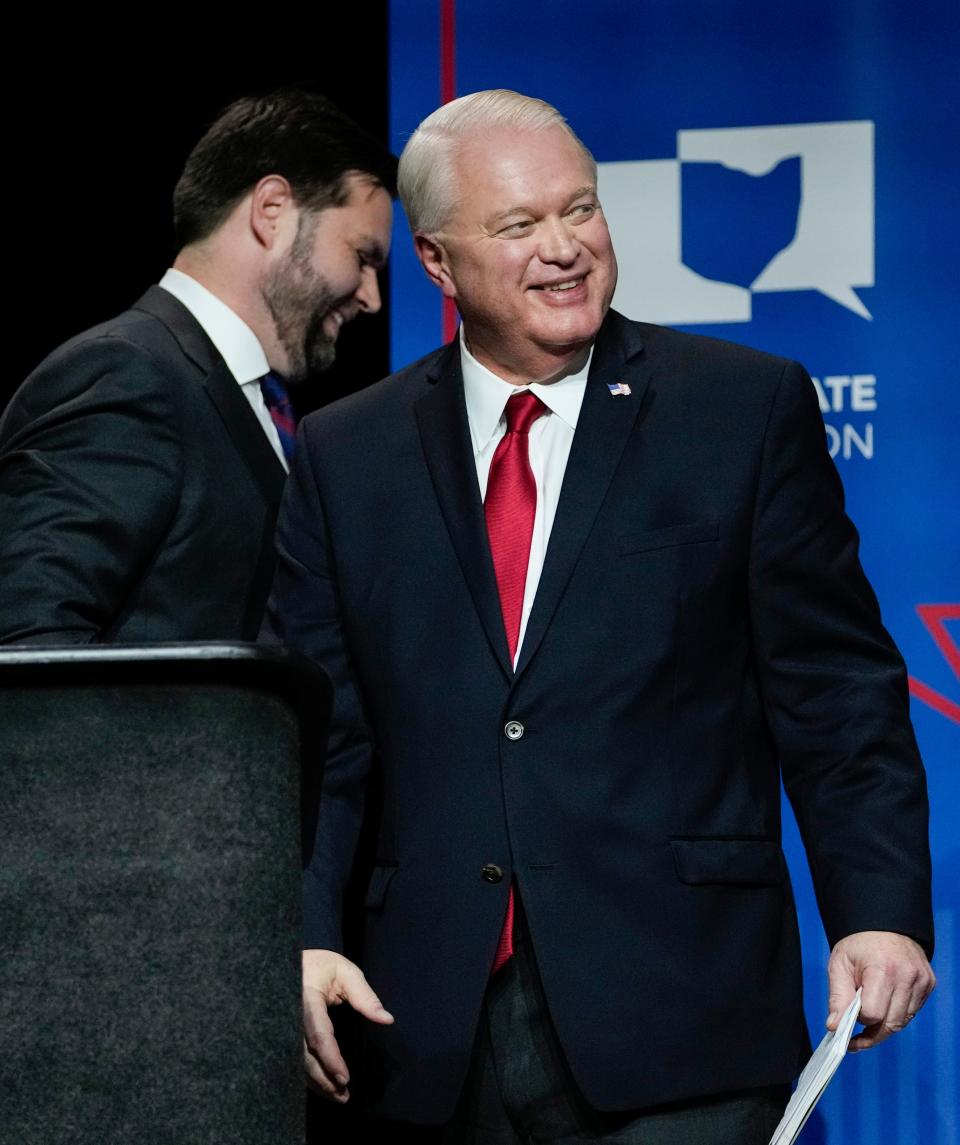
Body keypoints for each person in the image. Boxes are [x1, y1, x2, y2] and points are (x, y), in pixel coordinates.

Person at [269, 90, 934, 1142]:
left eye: (578, 210)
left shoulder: (739, 408)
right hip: (425, 1032)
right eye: (519, 226)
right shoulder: (349, 453)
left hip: (685, 1018)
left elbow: (834, 690)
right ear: (438, 265)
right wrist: (302, 934)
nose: (564, 248)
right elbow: (318, 739)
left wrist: (880, 908)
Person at [0, 88, 395, 644]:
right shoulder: (126, 375)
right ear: (272, 210)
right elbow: (25, 646)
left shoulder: (255, 402)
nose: (372, 297)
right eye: (363, 256)